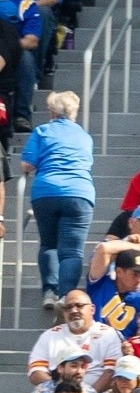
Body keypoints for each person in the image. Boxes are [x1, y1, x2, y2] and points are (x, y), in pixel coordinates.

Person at [17, 87, 88, 307]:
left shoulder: (42, 131)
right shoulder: (84, 136)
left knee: (49, 244)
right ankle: (67, 296)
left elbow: (26, 165)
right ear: (74, 113)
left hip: (46, 192)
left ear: (51, 112)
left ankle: (49, 291)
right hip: (79, 193)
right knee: (72, 251)